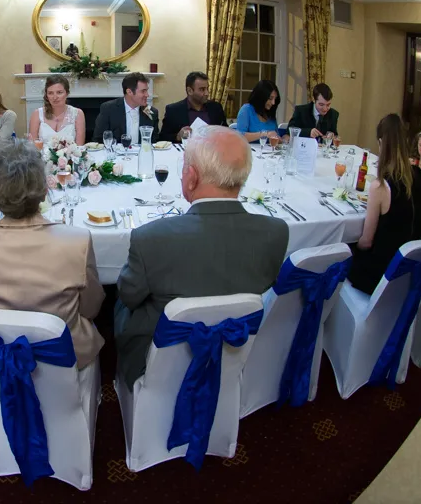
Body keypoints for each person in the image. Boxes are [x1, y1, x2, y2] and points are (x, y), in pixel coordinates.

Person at [115, 126, 289, 389]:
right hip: (234, 347)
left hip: (159, 360)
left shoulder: (150, 238)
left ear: (191, 177)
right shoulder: (276, 232)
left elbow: (129, 297)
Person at [0, 141, 104, 368]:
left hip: (4, 356)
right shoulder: (77, 241)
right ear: (44, 190)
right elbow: (91, 308)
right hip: (66, 355)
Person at [347, 114, 421, 294]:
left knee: (339, 254)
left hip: (381, 275)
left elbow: (366, 242)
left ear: (381, 143)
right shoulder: (419, 175)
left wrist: (351, 245)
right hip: (408, 271)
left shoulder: (381, 186)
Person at [92, 72, 159, 144]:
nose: (147, 95)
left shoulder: (152, 112)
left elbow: (154, 142)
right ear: (129, 92)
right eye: (143, 91)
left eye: (147, 90)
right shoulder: (108, 109)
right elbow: (98, 140)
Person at [159, 71, 227, 142]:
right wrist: (177, 136)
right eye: (202, 89)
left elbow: (226, 133)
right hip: (184, 152)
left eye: (207, 89)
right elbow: (162, 138)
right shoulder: (173, 110)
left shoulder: (216, 108)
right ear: (189, 91)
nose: (207, 93)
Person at [28, 75, 87, 145]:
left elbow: (79, 147)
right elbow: (32, 147)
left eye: (59, 92)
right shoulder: (37, 114)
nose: (55, 97)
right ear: (46, 95)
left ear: (67, 93)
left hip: (70, 155)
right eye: (50, 93)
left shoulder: (77, 114)